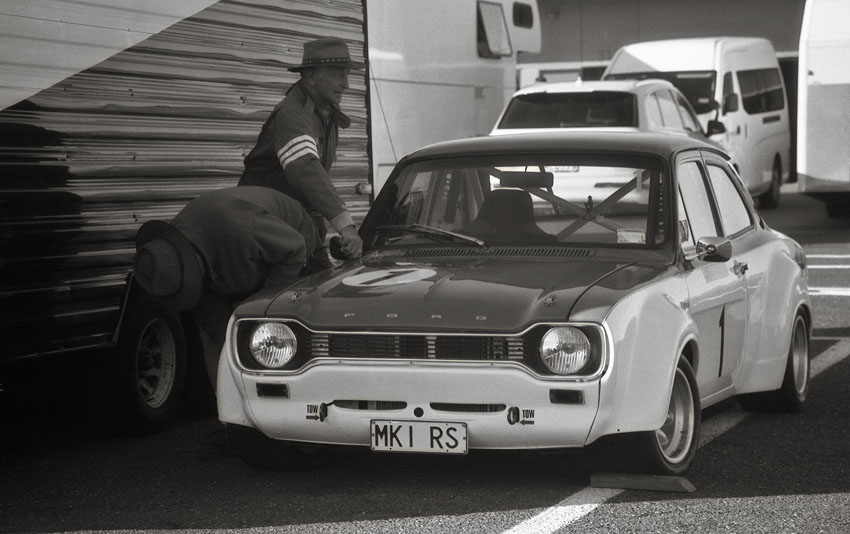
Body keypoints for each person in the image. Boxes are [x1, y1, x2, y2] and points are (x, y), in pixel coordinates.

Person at [133, 186, 319, 387]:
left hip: (293, 249)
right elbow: (219, 331)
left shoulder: (240, 228)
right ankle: (225, 400)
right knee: (217, 340)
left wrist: (264, 306)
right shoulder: (172, 268)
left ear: (195, 262)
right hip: (235, 270)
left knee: (288, 339)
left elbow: (294, 248)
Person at [239, 37, 364, 267]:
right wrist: (346, 225)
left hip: (295, 225)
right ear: (312, 76)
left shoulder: (326, 113)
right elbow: (305, 168)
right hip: (263, 229)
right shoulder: (292, 115)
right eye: (339, 75)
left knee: (323, 283)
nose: (346, 85)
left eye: (347, 75)